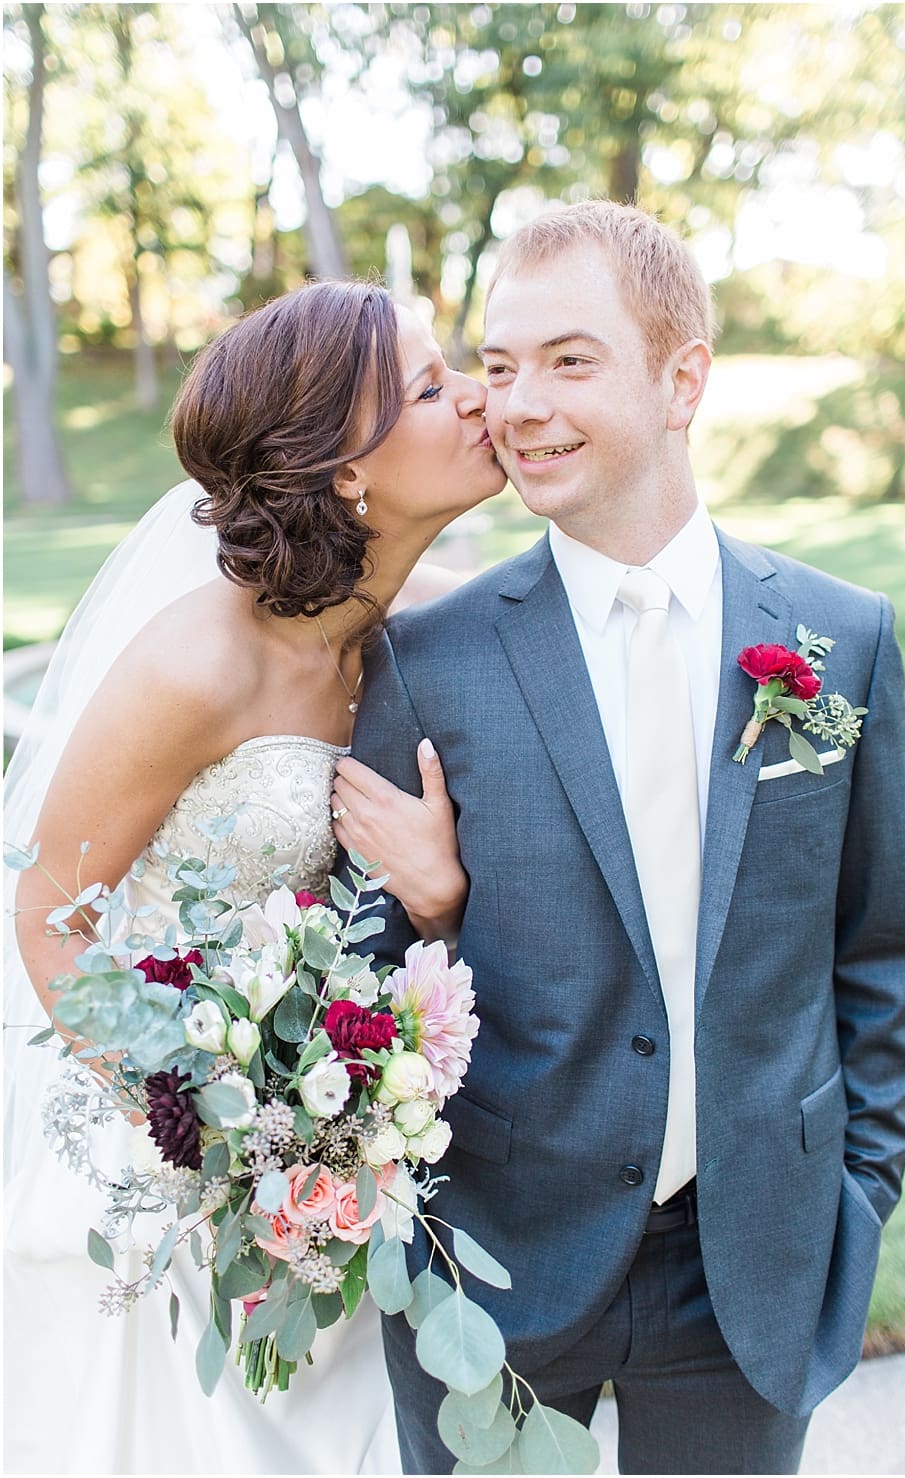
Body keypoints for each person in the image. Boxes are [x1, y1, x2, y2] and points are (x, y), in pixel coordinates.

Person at [337, 200, 905, 1475]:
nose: (520, 403)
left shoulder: (841, 638)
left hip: (751, 1274)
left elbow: (881, 948)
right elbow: (361, 977)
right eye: (499, 367)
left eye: (569, 360)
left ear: (684, 378)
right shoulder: (425, 663)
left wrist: (857, 1193)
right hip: (490, 1268)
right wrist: (441, 908)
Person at [2, 280, 506, 1472]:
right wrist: (220, 1133)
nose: (481, 395)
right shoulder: (196, 662)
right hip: (181, 1168)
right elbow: (45, 912)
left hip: (343, 1160)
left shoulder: (418, 630)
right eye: (434, 387)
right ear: (344, 472)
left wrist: (436, 900)